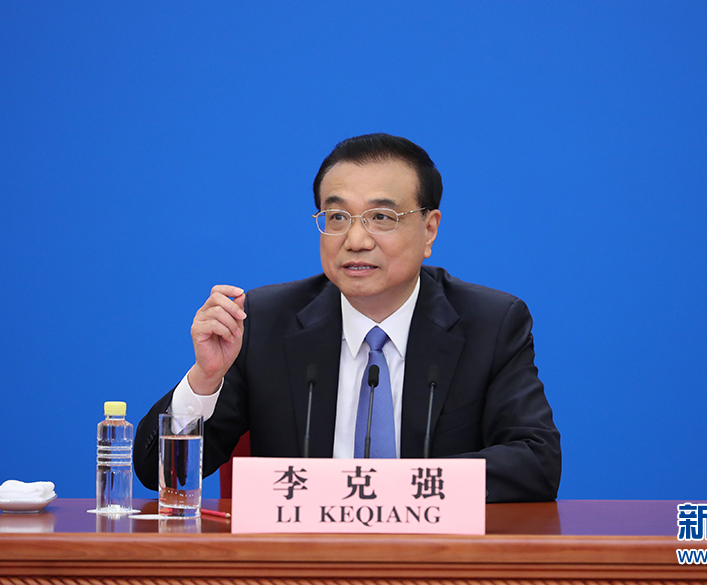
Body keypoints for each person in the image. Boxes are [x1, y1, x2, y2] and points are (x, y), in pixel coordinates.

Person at [133, 133, 561, 502]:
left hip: (436, 559)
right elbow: (158, 473)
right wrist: (205, 380)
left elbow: (535, 462)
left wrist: (390, 489)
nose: (356, 240)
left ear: (429, 230)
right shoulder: (265, 322)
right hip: (299, 561)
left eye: (382, 218)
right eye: (337, 217)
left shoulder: (489, 323)